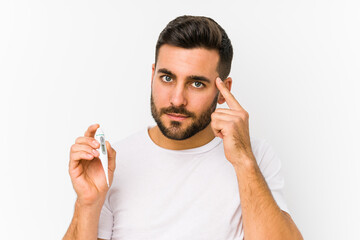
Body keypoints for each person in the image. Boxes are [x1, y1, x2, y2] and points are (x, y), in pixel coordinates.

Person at [63, 15, 303, 240]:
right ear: (153, 76)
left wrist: (244, 161)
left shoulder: (255, 158)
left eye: (196, 83)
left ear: (224, 91)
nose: (177, 99)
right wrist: (87, 204)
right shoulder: (113, 164)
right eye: (167, 78)